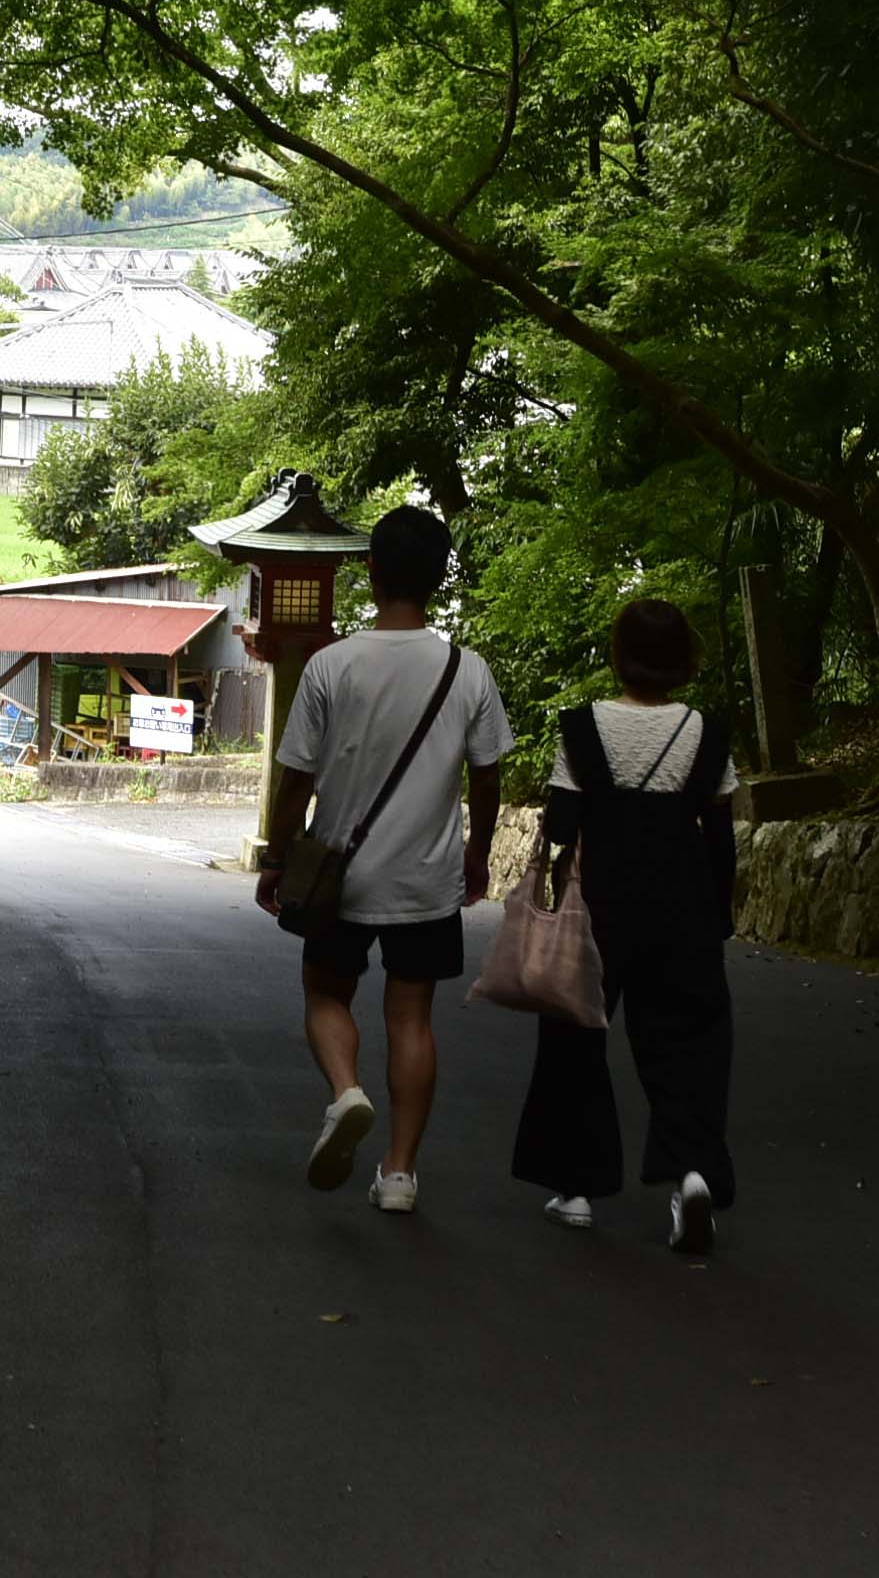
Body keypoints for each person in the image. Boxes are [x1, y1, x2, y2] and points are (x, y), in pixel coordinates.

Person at [256, 505, 514, 1214]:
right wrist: (478, 853)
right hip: (425, 878)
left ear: (369, 570)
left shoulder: (331, 665)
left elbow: (297, 776)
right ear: (440, 576)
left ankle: (346, 1092)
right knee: (412, 1018)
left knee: (325, 994)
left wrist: (277, 856)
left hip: (340, 874)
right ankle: (399, 1174)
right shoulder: (469, 671)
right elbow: (487, 776)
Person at [511, 600, 739, 1252]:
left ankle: (577, 1190)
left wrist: (554, 901)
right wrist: (718, 914)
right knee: (691, 1044)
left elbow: (561, 828)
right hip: (684, 907)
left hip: (599, 906)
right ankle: (691, 1175)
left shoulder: (584, 729)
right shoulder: (708, 733)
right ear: (683, 659)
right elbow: (720, 839)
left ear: (621, 654)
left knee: (574, 1037)